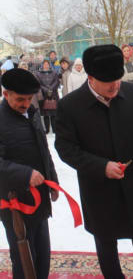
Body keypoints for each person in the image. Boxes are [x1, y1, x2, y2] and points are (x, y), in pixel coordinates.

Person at [55, 44, 133, 279]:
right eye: (108, 82)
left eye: (118, 79)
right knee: (106, 245)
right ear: (91, 78)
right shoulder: (69, 106)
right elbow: (65, 148)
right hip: (98, 189)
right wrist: (101, 166)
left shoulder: (130, 92)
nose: (115, 86)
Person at [0, 68, 59, 279]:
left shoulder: (33, 114)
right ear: (5, 94)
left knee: (43, 254)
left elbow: (43, 149)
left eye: (29, 98)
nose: (25, 103)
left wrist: (52, 179)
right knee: (25, 258)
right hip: (15, 202)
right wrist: (24, 174)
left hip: (40, 198)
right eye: (19, 99)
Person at [35, 59, 60, 134]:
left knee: (53, 113)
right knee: (45, 114)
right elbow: (38, 84)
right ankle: (47, 129)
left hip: (53, 94)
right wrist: (46, 89)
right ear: (42, 65)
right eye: (44, 64)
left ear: (49, 65)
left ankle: (54, 129)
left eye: (47, 64)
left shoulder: (54, 72)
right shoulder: (38, 74)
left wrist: (51, 88)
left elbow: (57, 81)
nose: (46, 65)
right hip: (44, 95)